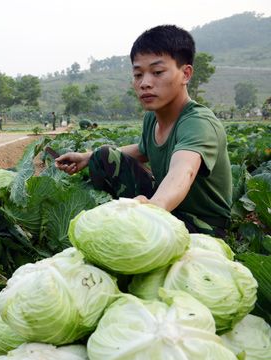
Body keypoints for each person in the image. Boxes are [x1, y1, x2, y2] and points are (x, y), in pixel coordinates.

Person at [56, 25, 232, 237]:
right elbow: (143, 149)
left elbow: (184, 169)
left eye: (157, 72)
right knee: (104, 156)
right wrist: (87, 157)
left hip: (201, 225)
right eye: (138, 74)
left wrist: (154, 208)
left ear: (185, 74)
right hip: (168, 209)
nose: (145, 83)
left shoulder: (198, 122)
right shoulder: (153, 116)